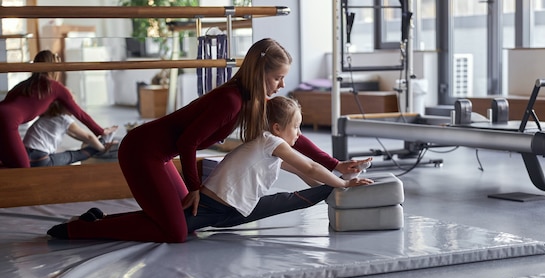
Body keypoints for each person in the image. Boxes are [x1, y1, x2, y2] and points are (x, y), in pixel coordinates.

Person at [47, 38, 369, 243]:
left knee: (184, 222)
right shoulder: (231, 100)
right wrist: (195, 188)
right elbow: (188, 142)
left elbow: (289, 137)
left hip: (160, 156)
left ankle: (97, 220)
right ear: (260, 74)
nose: (282, 84)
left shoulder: (255, 102)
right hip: (141, 151)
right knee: (174, 232)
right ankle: (79, 230)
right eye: (277, 77)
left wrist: (335, 165)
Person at [184, 96, 372, 233]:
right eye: (296, 127)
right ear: (277, 128)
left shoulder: (267, 144)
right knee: (176, 229)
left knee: (292, 199)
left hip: (233, 210)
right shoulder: (270, 142)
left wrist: (333, 188)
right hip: (210, 207)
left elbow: (302, 173)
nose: (299, 134)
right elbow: (311, 167)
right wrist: (344, 184)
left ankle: (337, 188)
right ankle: (340, 185)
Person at [0, 50, 106, 168]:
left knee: (7, 163)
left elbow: (7, 103)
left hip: (4, 116)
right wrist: (101, 131)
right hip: (7, 122)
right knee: (24, 170)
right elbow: (79, 113)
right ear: (52, 67)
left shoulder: (25, 85)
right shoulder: (55, 87)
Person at [23, 100, 119, 167]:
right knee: (73, 155)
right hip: (40, 160)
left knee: (73, 152)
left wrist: (95, 142)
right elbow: (88, 137)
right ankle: (105, 140)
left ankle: (103, 141)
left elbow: (75, 135)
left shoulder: (48, 117)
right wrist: (102, 148)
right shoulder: (64, 119)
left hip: (27, 156)